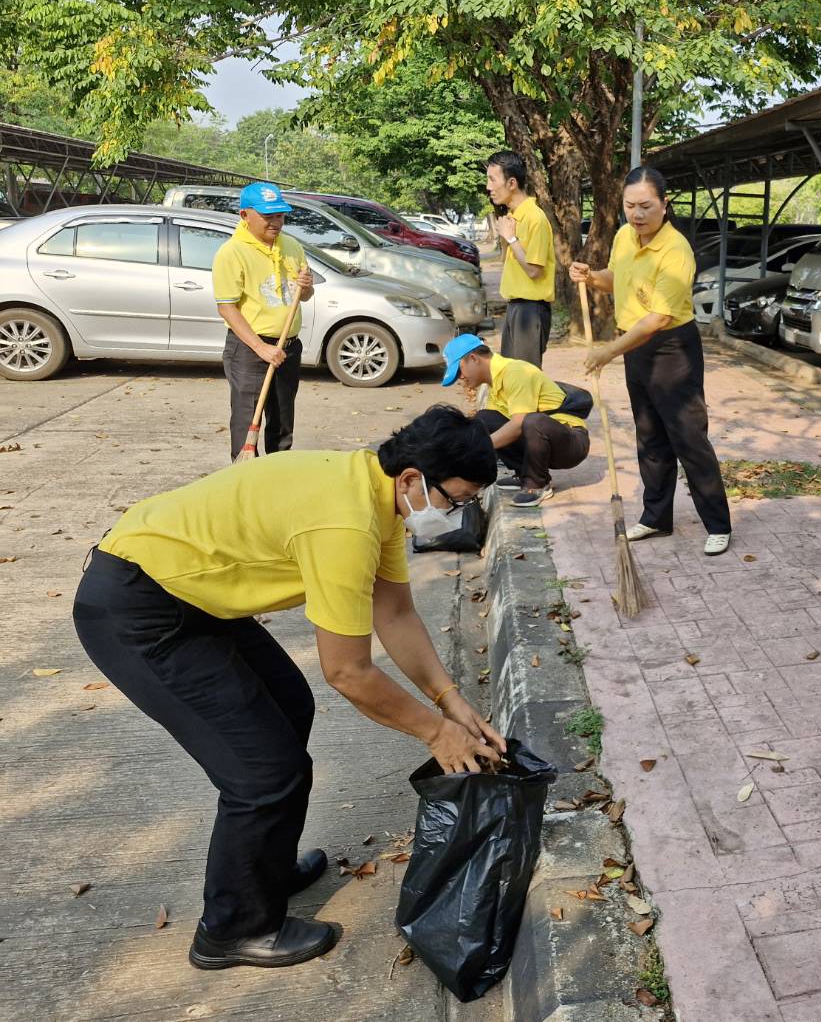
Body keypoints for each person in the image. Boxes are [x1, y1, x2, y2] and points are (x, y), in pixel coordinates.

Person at [72, 406, 506, 970]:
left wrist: (451, 701)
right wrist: (436, 734)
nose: (458, 512)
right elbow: (349, 672)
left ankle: (264, 870)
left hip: (191, 595)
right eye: (458, 498)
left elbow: (395, 612)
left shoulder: (376, 496)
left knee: (288, 706)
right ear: (412, 478)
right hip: (137, 608)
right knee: (262, 773)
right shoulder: (345, 522)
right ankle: (233, 929)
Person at [571, 166, 732, 557]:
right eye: (630, 206)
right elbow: (618, 279)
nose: (637, 214)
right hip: (637, 346)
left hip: (672, 349)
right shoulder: (625, 236)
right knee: (650, 436)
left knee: (688, 436)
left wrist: (609, 350)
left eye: (646, 206)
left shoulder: (676, 251)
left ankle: (718, 524)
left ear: (664, 205)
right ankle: (656, 517)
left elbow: (658, 317)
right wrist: (591, 276)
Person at [215, 181, 315, 458]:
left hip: (287, 347)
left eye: (280, 215)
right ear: (245, 215)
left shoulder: (292, 246)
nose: (275, 222)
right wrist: (261, 348)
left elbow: (304, 295)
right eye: (267, 216)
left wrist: (306, 287)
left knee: (283, 421)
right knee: (248, 419)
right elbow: (227, 308)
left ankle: (277, 474)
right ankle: (245, 479)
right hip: (250, 349)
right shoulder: (231, 252)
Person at [440, 333, 591, 507]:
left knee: (531, 421)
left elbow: (519, 424)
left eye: (459, 371)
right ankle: (524, 473)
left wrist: (480, 447)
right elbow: (495, 426)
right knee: (484, 420)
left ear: (473, 358)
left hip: (571, 442)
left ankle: (537, 484)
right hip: (541, 439)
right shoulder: (494, 381)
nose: (461, 378)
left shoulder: (516, 372)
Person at [486, 150, 556, 367]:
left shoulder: (535, 218)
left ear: (512, 183)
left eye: (492, 179)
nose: (488, 187)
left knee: (526, 381)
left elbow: (535, 271)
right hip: (516, 307)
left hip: (530, 310)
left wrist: (511, 238)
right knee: (512, 378)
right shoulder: (513, 217)